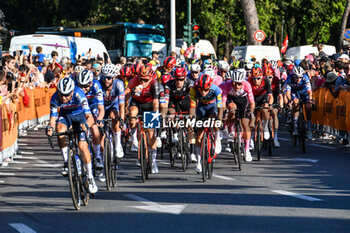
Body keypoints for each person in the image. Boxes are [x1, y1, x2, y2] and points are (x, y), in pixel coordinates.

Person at [46, 77, 98, 194]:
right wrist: (50, 128)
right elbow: (53, 118)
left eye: (67, 95)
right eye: (61, 95)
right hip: (66, 116)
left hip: (80, 117)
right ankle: (66, 162)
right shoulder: (55, 98)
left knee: (82, 147)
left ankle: (90, 177)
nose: (63, 98)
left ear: (72, 92)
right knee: (60, 130)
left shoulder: (79, 94)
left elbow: (89, 117)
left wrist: (87, 126)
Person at [125, 66, 160, 173]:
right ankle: (134, 139)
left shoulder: (155, 84)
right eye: (141, 79)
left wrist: (154, 115)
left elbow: (155, 103)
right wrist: (126, 108)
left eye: (146, 80)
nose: (143, 82)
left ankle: (153, 161)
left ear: (150, 78)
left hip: (149, 105)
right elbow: (126, 94)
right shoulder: (134, 81)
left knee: (150, 133)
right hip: (137, 103)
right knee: (132, 114)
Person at [189, 74, 223, 173]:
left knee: (214, 121)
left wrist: (219, 120)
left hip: (213, 107)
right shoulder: (193, 90)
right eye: (201, 89)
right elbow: (192, 106)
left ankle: (217, 139)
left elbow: (220, 106)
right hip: (202, 108)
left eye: (206, 89)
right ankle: (199, 162)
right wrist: (191, 118)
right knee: (199, 136)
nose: (203, 92)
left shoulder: (216, 90)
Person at [220, 69, 255, 161]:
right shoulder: (226, 85)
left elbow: (252, 102)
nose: (237, 86)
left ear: (242, 83)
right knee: (231, 107)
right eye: (235, 83)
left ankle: (247, 150)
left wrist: (251, 113)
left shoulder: (247, 85)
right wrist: (224, 112)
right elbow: (223, 102)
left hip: (243, 101)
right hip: (232, 100)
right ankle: (231, 129)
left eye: (239, 84)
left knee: (245, 123)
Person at [164, 67, 196, 162]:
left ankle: (193, 152)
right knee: (171, 114)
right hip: (173, 101)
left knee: (190, 126)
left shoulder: (190, 84)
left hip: (186, 101)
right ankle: (174, 133)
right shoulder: (169, 85)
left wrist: (192, 115)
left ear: (185, 78)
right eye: (177, 79)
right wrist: (165, 114)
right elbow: (165, 102)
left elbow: (193, 100)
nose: (179, 82)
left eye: (181, 79)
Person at [76, 70, 105, 170]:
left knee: (94, 128)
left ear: (91, 83)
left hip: (93, 106)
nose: (83, 89)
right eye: (80, 86)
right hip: (80, 108)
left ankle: (97, 156)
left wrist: (99, 119)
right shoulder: (75, 87)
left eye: (85, 86)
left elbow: (101, 108)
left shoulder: (96, 86)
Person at [100, 64, 126, 159]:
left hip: (113, 105)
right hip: (101, 106)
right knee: (100, 135)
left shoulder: (119, 84)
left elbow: (122, 105)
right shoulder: (99, 83)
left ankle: (118, 144)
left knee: (114, 117)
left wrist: (122, 120)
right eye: (104, 77)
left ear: (113, 78)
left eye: (109, 78)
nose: (106, 80)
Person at [285, 66, 313, 139]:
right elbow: (288, 92)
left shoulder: (305, 78)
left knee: (308, 107)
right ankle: (295, 127)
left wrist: (310, 99)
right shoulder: (289, 78)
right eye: (296, 77)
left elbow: (309, 91)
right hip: (294, 92)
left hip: (304, 92)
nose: (298, 79)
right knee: (296, 105)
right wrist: (290, 100)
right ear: (293, 76)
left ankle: (309, 129)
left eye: (300, 77)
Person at [247, 67, 273, 141]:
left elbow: (270, 96)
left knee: (265, 109)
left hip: (263, 98)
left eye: (258, 78)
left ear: (261, 77)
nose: (256, 81)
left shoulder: (266, 80)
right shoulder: (248, 81)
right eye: (254, 78)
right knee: (250, 114)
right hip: (252, 98)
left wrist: (270, 105)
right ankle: (251, 134)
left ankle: (265, 127)